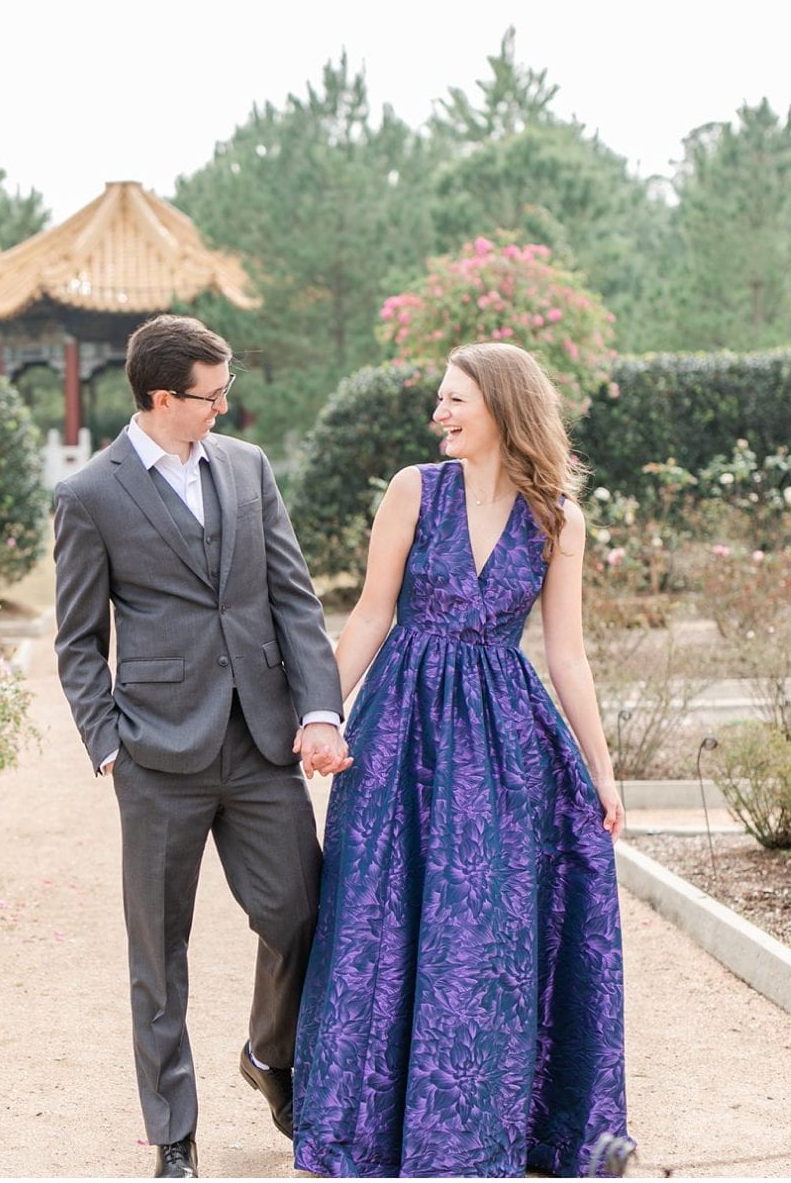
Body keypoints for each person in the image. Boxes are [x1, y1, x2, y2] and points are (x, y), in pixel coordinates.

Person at [291, 342, 632, 1178]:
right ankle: (360, 1132)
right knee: (379, 917)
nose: (438, 414)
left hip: (507, 744)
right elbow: (370, 615)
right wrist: (319, 718)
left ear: (503, 409)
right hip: (401, 728)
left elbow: (569, 656)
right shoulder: (415, 490)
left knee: (484, 938)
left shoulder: (558, 516)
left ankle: (471, 1135)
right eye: (441, 400)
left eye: (454, 401)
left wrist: (603, 771)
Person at [52, 314, 352, 1179]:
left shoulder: (249, 469)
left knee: (301, 915)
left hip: (259, 745)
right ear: (161, 398)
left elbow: (293, 600)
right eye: (212, 396)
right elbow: (78, 641)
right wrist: (107, 743)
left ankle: (270, 1057)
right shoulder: (89, 495)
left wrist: (319, 709)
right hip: (154, 756)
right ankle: (173, 1132)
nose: (226, 407)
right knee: (160, 950)